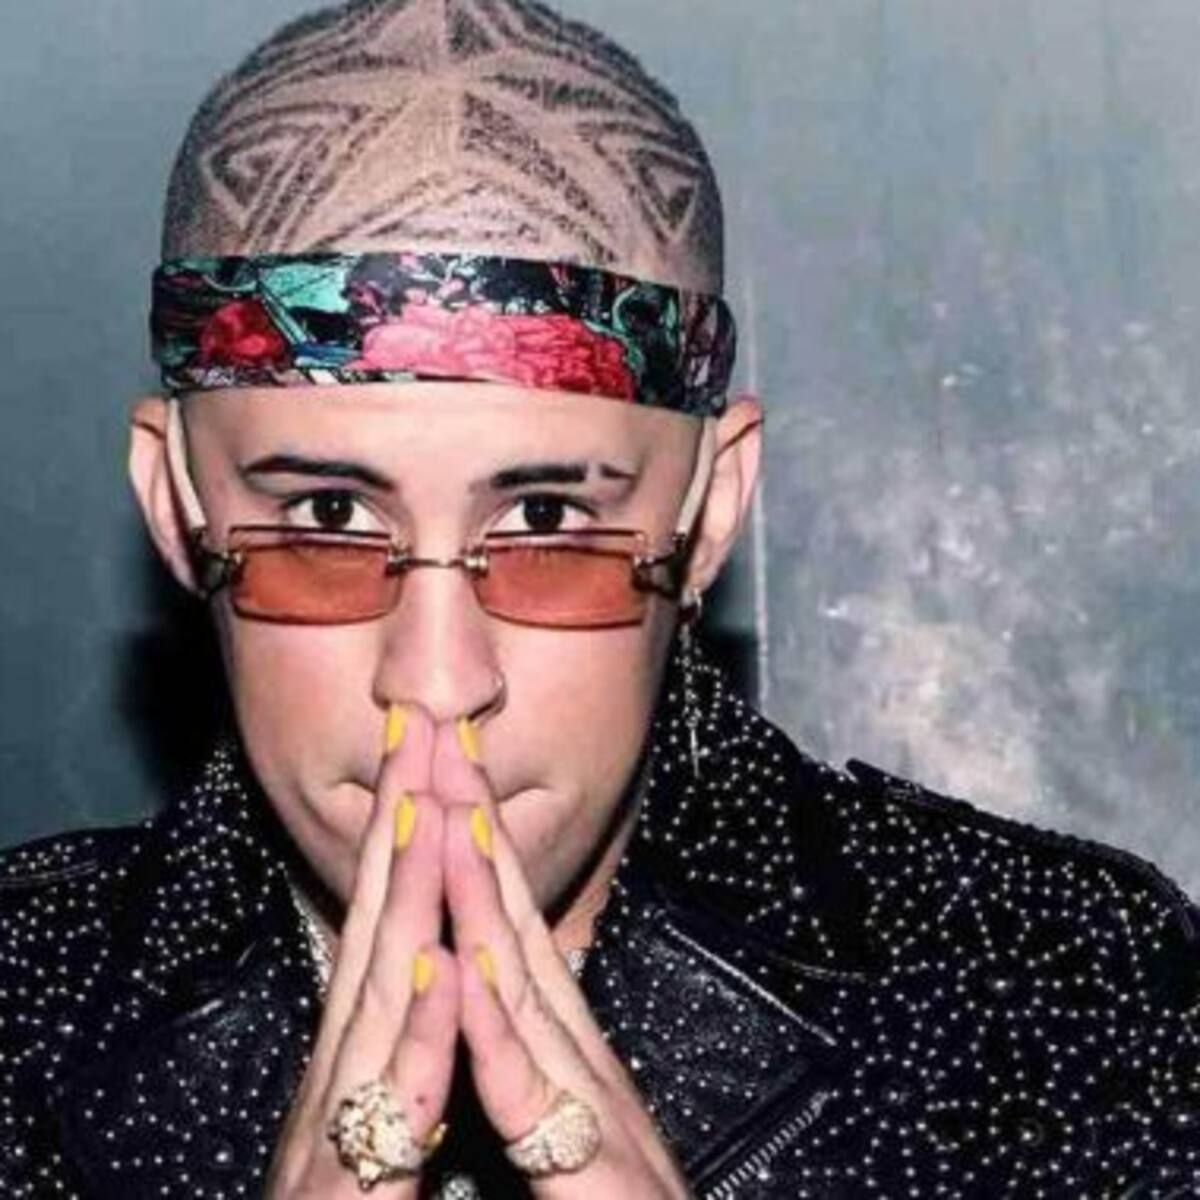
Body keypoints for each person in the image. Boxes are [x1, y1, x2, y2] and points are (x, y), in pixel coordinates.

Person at [2, 1, 1198, 1196]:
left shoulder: (1069, 1003)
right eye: (327, 519)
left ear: (708, 512)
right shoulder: (24, 1016)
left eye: (544, 521)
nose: (437, 680)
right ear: (175, 503)